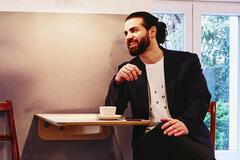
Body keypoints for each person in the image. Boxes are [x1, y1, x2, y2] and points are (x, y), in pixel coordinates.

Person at [105, 11, 215, 160]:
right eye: (126, 33)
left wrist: (185, 123)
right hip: (148, 139)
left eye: (134, 30)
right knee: (161, 132)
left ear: (152, 32)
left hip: (186, 135)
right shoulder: (127, 70)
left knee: (172, 137)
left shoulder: (186, 62)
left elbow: (200, 98)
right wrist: (118, 81)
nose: (128, 37)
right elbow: (113, 112)